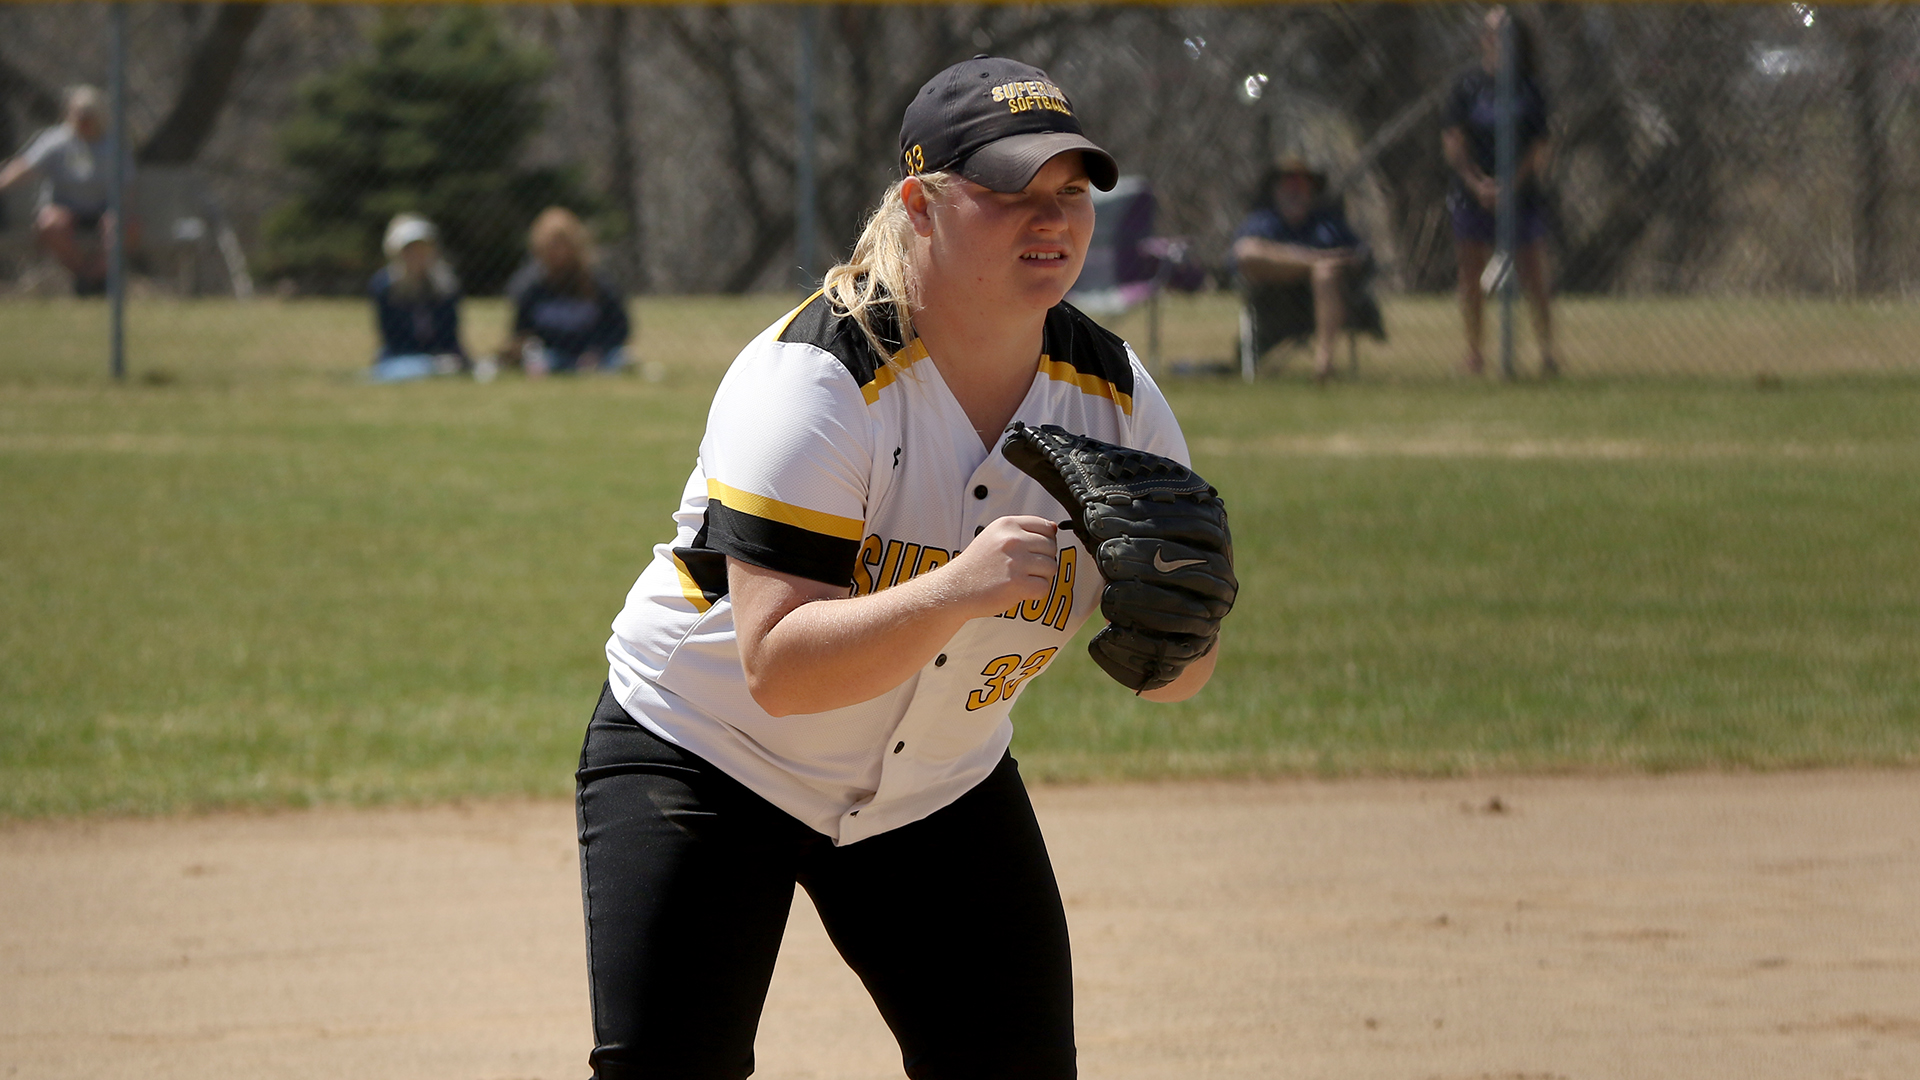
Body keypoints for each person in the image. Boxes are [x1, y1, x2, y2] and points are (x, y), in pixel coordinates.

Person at [577, 55, 1218, 1080]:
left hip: (935, 788)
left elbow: (1181, 676)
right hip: (709, 755)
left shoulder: (1114, 397)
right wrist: (962, 586)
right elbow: (779, 669)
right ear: (920, 205)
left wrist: (1180, 630)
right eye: (1011, 191)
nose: (1049, 219)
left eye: (1070, 192)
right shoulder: (818, 378)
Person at [1443, 6, 1557, 377]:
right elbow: (1453, 140)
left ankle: (1547, 351)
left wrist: (1511, 185)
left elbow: (1540, 145)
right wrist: (1477, 183)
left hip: (1519, 194)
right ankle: (1474, 353)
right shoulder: (1467, 86)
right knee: (1470, 273)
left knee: (1532, 272)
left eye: (1506, 33)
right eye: (1491, 32)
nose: (1497, 40)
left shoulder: (1529, 88)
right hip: (1472, 193)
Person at [1229, 157, 1371, 382]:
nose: (1294, 190)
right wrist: (1313, 261)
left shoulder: (1328, 224)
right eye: (1287, 183)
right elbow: (1243, 255)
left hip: (1321, 301)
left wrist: (1322, 266)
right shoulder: (1263, 221)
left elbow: (1357, 256)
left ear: (1312, 190)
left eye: (1301, 184)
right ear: (1275, 190)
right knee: (1319, 266)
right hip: (1272, 302)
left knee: (1325, 273)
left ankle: (1324, 366)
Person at [0, 85, 138, 295]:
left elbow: (127, 188)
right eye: (78, 114)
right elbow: (24, 167)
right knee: (49, 224)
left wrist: (119, 211)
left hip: (103, 210)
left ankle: (100, 275)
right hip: (65, 209)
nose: (83, 121)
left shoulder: (114, 145)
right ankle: (84, 275)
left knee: (123, 226)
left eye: (88, 115)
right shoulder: (56, 141)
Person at [502, 207, 630, 376]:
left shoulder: (597, 282)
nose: (560, 253)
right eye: (552, 246)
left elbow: (619, 328)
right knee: (540, 360)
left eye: (564, 245)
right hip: (551, 355)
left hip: (594, 354)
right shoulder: (530, 285)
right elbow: (522, 332)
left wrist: (597, 351)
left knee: (619, 358)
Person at [368, 213, 467, 382]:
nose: (417, 254)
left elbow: (451, 334)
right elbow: (392, 338)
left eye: (423, 248)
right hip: (399, 358)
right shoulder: (384, 286)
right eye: (409, 249)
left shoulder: (445, 285)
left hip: (443, 357)